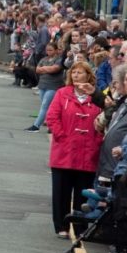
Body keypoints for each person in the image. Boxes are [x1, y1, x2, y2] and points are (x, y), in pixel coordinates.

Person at [45, 61, 105, 238]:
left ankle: (80, 228)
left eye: (80, 72)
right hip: (64, 151)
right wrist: (62, 136)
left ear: (89, 75)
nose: (76, 75)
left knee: (83, 193)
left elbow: (104, 121)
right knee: (61, 193)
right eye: (74, 72)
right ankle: (61, 226)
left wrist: (96, 142)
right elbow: (52, 117)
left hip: (88, 153)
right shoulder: (62, 93)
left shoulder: (97, 96)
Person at [26, 42, 64, 132]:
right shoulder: (44, 59)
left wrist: (44, 69)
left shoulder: (59, 59)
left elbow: (55, 69)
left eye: (51, 50)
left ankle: (36, 125)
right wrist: (48, 69)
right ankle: (51, 126)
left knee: (45, 105)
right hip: (42, 85)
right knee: (48, 106)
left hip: (53, 86)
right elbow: (38, 69)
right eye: (47, 50)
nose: (48, 52)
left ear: (56, 50)